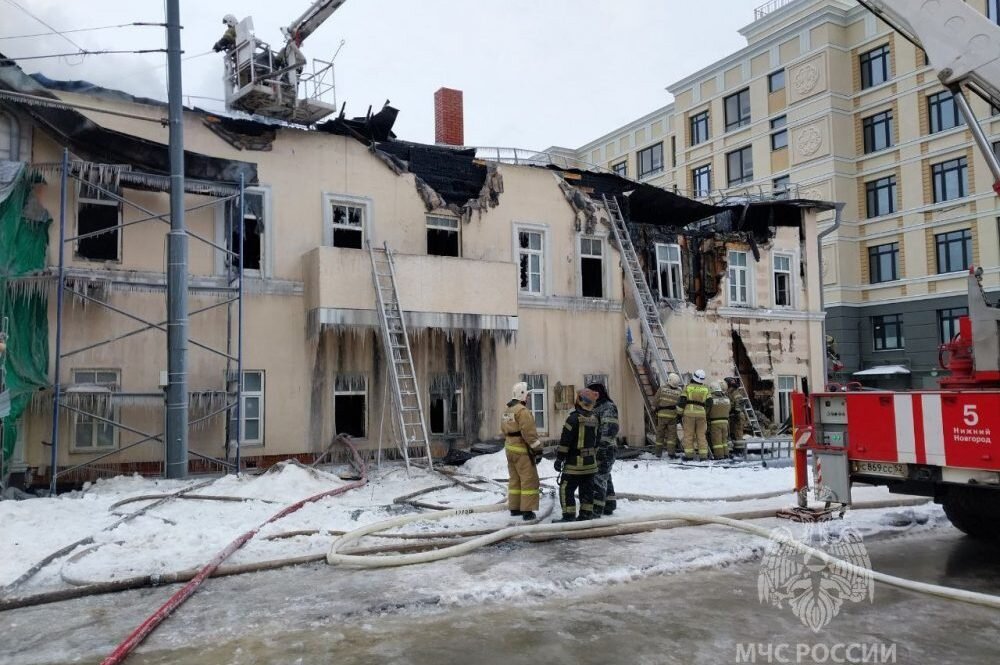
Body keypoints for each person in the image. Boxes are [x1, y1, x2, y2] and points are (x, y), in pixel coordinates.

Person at [554, 389, 600, 522]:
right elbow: (598, 440)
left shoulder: (573, 419)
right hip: (591, 464)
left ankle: (569, 516)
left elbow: (565, 442)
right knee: (587, 490)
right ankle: (586, 515)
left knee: (566, 488)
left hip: (575, 464)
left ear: (580, 400)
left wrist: (559, 459)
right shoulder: (595, 419)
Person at [501, 381, 542, 521]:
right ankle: (527, 511)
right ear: (522, 394)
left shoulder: (508, 409)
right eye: (528, 395)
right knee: (528, 480)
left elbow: (504, 429)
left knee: (515, 480)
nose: (529, 398)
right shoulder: (522, 411)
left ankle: (514, 507)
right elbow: (529, 433)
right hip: (522, 451)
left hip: (509, 449)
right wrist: (537, 450)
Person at [587, 382, 619, 517]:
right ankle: (609, 504)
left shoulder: (608, 407)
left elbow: (609, 429)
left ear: (597, 394)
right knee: (605, 475)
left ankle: (596, 509)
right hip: (600, 448)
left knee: (599, 478)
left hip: (606, 449)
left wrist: (601, 448)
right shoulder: (597, 407)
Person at [677, 369, 710, 461]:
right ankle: (703, 456)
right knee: (701, 435)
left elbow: (682, 402)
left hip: (689, 415)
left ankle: (689, 456)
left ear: (694, 376)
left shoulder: (688, 387)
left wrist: (679, 414)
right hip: (701, 415)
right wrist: (705, 412)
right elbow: (710, 402)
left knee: (688, 435)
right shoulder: (706, 388)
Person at [654, 372, 683, 458]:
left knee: (660, 434)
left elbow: (655, 401)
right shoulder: (679, 391)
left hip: (662, 415)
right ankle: (671, 453)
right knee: (672, 435)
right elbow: (681, 404)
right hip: (673, 416)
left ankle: (658, 453)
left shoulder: (662, 389)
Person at [706, 382, 731, 460]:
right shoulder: (727, 398)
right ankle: (726, 454)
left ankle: (719, 456)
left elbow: (707, 410)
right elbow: (729, 409)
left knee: (717, 441)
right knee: (724, 440)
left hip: (715, 422)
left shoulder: (711, 399)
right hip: (725, 422)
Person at [725, 377, 746, 456]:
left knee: (738, 434)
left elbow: (739, 403)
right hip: (733, 416)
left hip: (737, 416)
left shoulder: (735, 392)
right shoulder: (729, 392)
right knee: (733, 433)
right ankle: (736, 450)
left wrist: (736, 412)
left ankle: (739, 451)